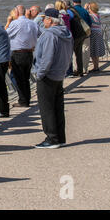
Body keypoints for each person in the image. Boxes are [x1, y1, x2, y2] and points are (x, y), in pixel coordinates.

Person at [33, 9, 73, 148]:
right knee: (57, 107)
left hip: (48, 75)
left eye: (44, 19)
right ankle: (60, 137)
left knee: (47, 108)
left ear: (50, 20)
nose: (43, 21)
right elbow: (69, 54)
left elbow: (47, 58)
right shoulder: (66, 33)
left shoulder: (49, 35)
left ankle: (51, 138)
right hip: (59, 74)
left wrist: (40, 74)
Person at [5, 5, 39, 107]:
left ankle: (23, 101)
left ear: (16, 12)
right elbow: (39, 34)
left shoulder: (15, 23)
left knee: (19, 78)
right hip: (29, 53)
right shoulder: (32, 23)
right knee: (26, 77)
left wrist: (8, 22)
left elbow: (5, 34)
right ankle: (26, 99)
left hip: (18, 53)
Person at [65, 0, 88, 77]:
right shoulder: (74, 10)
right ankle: (80, 71)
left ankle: (70, 72)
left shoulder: (68, 11)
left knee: (69, 53)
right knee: (78, 54)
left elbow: (69, 19)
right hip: (81, 34)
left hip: (76, 35)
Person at [73, 0, 92, 74]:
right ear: (80, 2)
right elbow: (90, 22)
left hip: (76, 34)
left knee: (75, 52)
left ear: (73, 2)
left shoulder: (72, 10)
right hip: (85, 33)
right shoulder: (85, 11)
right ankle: (85, 68)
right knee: (86, 50)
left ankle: (76, 68)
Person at [87, 2, 106, 72]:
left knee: (93, 51)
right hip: (99, 33)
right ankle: (96, 67)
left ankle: (95, 67)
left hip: (93, 33)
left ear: (91, 8)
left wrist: (85, 8)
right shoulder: (97, 15)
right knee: (96, 50)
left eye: (89, 8)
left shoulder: (91, 15)